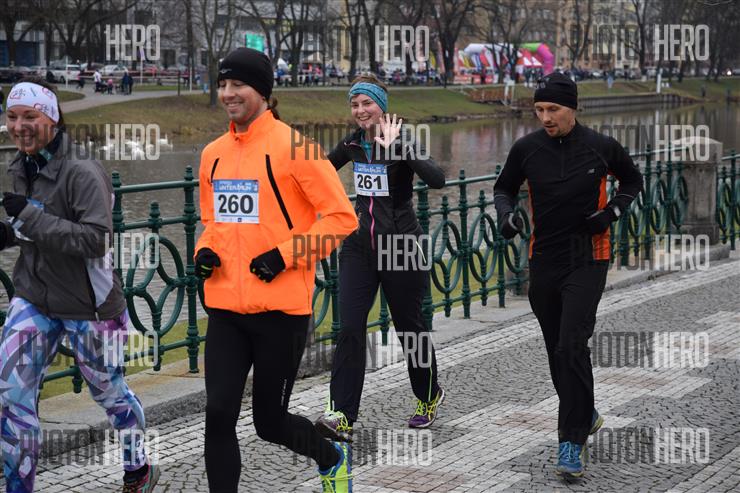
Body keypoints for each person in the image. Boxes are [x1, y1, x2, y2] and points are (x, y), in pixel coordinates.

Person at [194, 47, 358, 493]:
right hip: (225, 308)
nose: (228, 93)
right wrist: (204, 251)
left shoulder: (296, 148)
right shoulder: (212, 154)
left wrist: (285, 255)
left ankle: (330, 457)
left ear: (262, 91)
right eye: (222, 84)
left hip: (280, 313)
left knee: (269, 422)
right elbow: (212, 222)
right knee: (218, 414)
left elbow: (341, 218)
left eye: (238, 84)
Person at [0, 76, 159, 492]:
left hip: (91, 304)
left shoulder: (82, 170)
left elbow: (95, 240)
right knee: (10, 395)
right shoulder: (21, 165)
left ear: (52, 118)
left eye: (30, 116)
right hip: (35, 296)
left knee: (110, 394)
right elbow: (37, 226)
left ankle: (138, 466)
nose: (19, 126)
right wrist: (11, 232)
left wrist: (27, 217)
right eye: (12, 116)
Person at [493, 72, 643, 479]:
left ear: (573, 108)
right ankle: (585, 410)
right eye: (539, 109)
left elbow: (633, 180)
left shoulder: (601, 146)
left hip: (588, 259)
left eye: (553, 109)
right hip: (543, 260)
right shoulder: (526, 148)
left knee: (571, 345)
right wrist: (507, 216)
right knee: (556, 350)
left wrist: (611, 213)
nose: (546, 117)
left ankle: (571, 441)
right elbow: (504, 188)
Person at [314, 74, 446, 444]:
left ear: (382, 107)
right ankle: (341, 415)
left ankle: (428, 394)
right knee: (350, 327)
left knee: (409, 327)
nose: (360, 110)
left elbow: (437, 179)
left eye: (367, 103)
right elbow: (318, 172)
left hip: (401, 246)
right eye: (354, 104)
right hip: (359, 247)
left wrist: (400, 147)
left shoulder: (403, 140)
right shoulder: (352, 144)